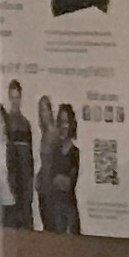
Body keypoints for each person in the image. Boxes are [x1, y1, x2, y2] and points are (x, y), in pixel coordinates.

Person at [38, 95, 82, 233]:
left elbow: (69, 184)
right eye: (61, 122)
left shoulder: (74, 152)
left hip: (69, 209)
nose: (63, 126)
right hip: (54, 209)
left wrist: (59, 179)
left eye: (66, 122)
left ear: (72, 124)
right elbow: (51, 177)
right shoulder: (55, 149)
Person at [0, 81, 36, 231]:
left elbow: (30, 154)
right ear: (9, 97)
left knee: (26, 214)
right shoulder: (6, 121)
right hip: (12, 174)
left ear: (21, 98)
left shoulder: (26, 123)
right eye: (12, 97)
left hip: (25, 175)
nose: (15, 101)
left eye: (17, 97)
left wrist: (30, 179)